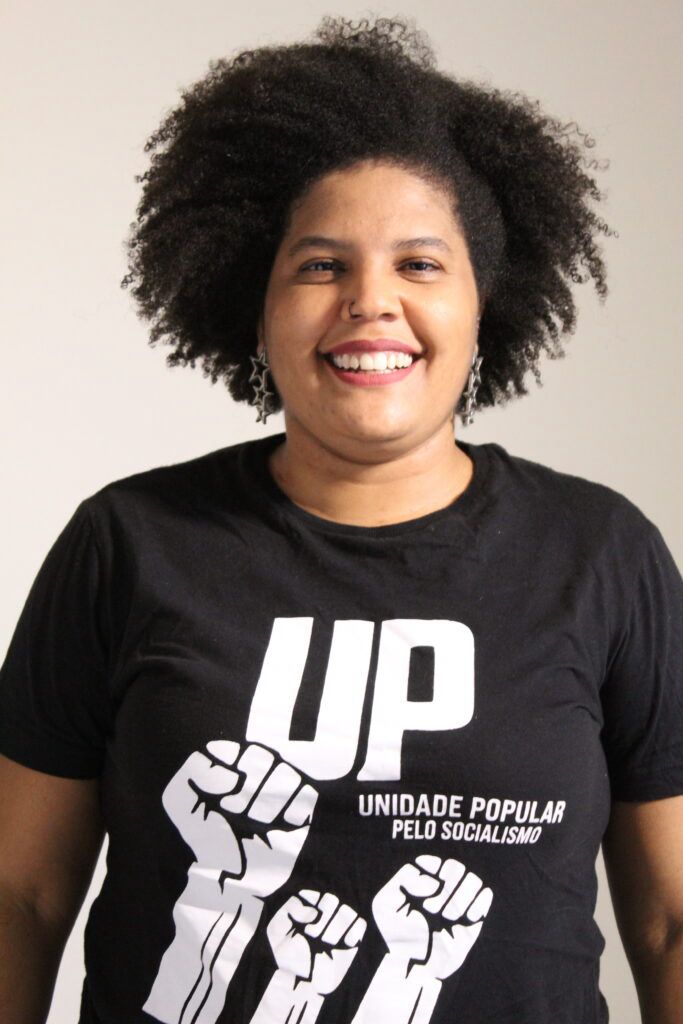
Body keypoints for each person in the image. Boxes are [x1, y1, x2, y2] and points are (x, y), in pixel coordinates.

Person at [0, 14, 681, 1024]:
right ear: (256, 305)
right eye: (320, 265)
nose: (370, 301)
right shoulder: (128, 542)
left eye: (419, 264)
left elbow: (669, 921)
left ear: (482, 304)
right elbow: (20, 895)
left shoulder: (599, 554)